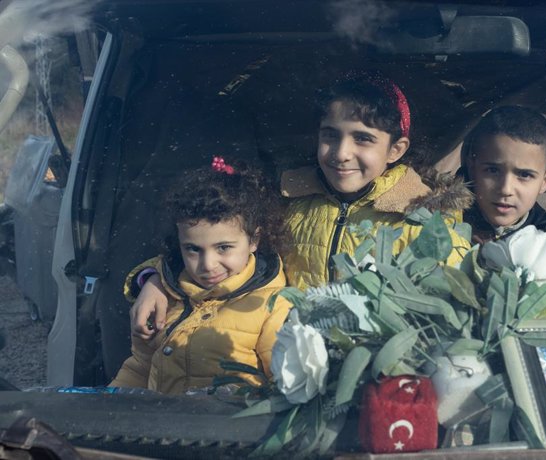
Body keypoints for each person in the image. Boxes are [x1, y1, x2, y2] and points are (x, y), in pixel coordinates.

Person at [129, 71, 473, 340]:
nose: (341, 153)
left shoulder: (424, 220)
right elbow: (217, 249)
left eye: (363, 139)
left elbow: (445, 314)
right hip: (280, 365)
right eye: (330, 135)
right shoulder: (287, 200)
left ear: (396, 150)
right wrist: (157, 281)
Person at [109, 160, 291, 394]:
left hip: (228, 428)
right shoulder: (166, 295)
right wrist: (110, 408)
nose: (207, 265)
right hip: (160, 426)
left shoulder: (272, 307)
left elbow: (283, 387)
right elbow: (140, 369)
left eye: (223, 247)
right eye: (193, 249)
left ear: (254, 240)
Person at [459, 105, 546, 253]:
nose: (505, 189)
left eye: (525, 175)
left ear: (545, 181)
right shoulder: (445, 225)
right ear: (472, 168)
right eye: (493, 170)